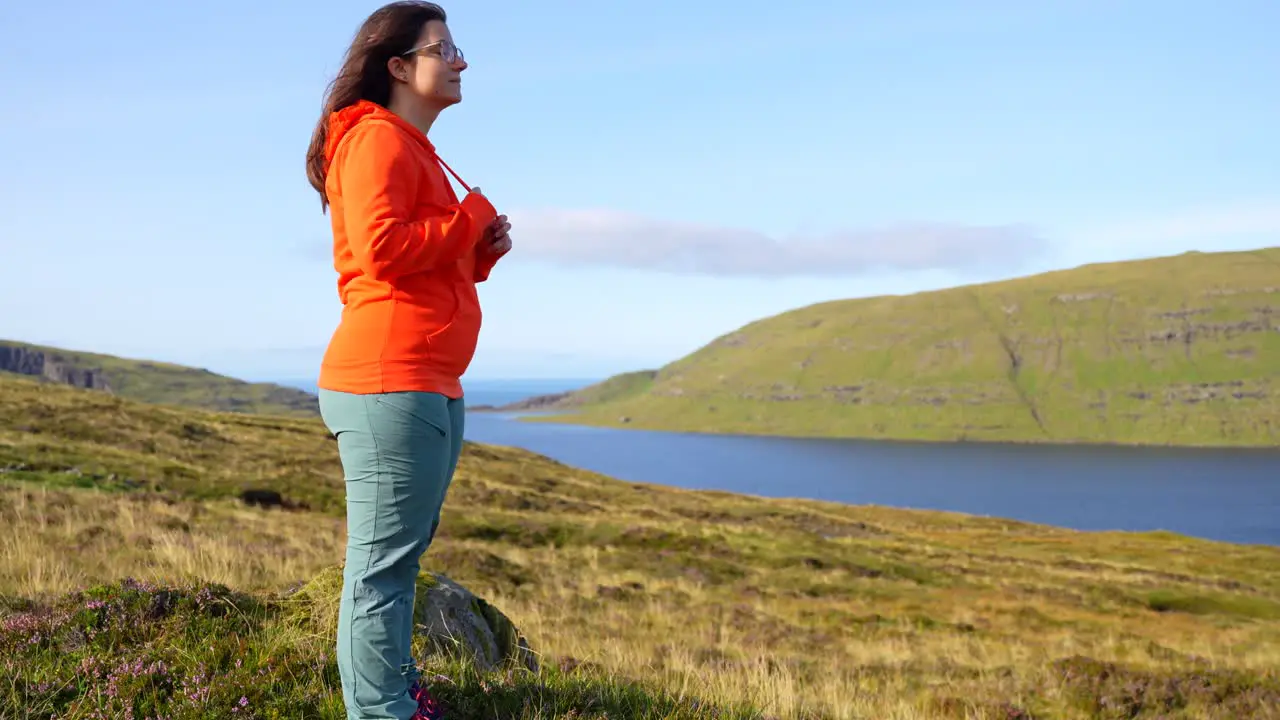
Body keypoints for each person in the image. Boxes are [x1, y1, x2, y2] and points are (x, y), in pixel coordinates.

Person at [303, 2, 511, 718]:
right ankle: (381, 708)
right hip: (389, 379)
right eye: (443, 48)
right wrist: (466, 221)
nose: (460, 61)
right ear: (398, 66)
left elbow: (417, 263)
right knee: (381, 568)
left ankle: (391, 687)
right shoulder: (374, 140)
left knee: (399, 560)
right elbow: (383, 252)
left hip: (425, 378)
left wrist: (475, 251)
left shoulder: (407, 146)